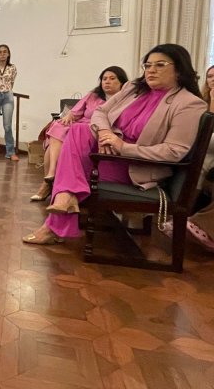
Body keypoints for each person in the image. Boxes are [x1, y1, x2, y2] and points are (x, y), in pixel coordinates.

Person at [22, 43, 207, 245]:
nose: (151, 70)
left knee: (71, 165)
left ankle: (57, 215)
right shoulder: (133, 88)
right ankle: (64, 200)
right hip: (106, 152)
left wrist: (122, 146)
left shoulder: (189, 103)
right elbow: (101, 112)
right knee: (77, 129)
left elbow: (174, 151)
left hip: (137, 167)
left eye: (160, 65)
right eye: (148, 65)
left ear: (179, 69)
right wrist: (105, 132)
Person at [30, 66, 128, 201]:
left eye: (112, 78)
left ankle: (48, 185)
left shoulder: (125, 100)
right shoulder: (93, 95)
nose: (107, 81)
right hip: (79, 126)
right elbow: (76, 111)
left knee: (64, 140)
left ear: (122, 82)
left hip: (96, 131)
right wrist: (69, 116)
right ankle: (51, 174)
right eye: (104, 79)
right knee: (58, 125)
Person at [161, 64, 214, 251]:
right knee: (198, 161)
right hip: (203, 159)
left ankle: (189, 221)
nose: (213, 80)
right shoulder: (198, 103)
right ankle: (182, 218)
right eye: (210, 76)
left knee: (203, 159)